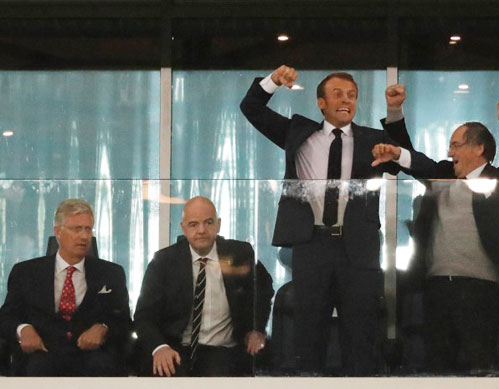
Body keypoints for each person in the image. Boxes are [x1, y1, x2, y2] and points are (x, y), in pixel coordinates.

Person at [239, 65, 403, 375]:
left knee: (360, 337)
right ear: (321, 103)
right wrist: (273, 81)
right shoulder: (300, 134)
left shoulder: (373, 139)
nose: (346, 100)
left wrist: (394, 112)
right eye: (338, 94)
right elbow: (251, 108)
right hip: (311, 243)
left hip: (358, 247)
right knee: (308, 334)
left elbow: (402, 155)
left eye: (352, 95)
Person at [372, 93, 499, 375]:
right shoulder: (443, 175)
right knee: (437, 367)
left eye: (455, 145)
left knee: (478, 367)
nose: (450, 153)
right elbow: (413, 158)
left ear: (479, 148)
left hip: (481, 291)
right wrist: (395, 113)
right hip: (436, 289)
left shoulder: (495, 182)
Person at [134, 196, 274, 377]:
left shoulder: (240, 254)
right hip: (175, 349)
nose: (201, 230)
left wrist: (256, 329)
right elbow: (144, 316)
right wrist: (159, 348)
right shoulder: (164, 261)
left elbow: (264, 290)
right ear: (183, 228)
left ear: (219, 225)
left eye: (208, 222)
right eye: (193, 224)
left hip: (223, 350)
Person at [0, 198, 131, 376]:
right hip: (42, 354)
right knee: (36, 368)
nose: (84, 236)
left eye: (88, 229)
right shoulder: (26, 272)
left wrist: (103, 328)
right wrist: (22, 329)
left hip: (93, 357)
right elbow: (7, 316)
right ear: (58, 232)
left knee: (103, 366)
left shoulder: (111, 273)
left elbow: (124, 321)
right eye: (76, 229)